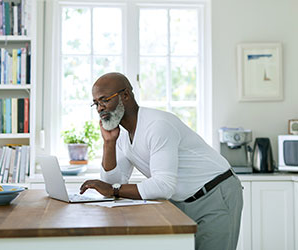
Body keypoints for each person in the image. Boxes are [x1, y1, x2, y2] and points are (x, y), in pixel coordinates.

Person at [80, 72, 243, 250]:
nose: (99, 108)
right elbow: (112, 184)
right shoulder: (121, 133)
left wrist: (113, 189)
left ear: (125, 95)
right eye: (96, 103)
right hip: (180, 200)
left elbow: (162, 186)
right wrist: (108, 143)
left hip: (214, 193)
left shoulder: (157, 125)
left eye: (104, 100)